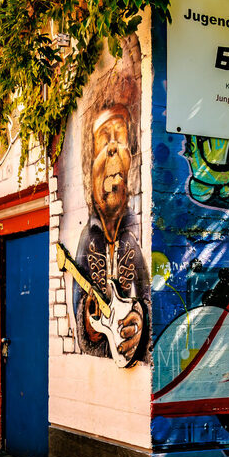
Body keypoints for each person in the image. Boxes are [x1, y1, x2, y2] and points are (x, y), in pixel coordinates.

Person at [73, 104, 149, 365]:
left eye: (120, 137)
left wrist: (139, 319)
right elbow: (78, 306)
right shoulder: (88, 237)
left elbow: (149, 296)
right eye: (104, 139)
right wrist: (89, 321)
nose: (113, 147)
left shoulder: (134, 235)